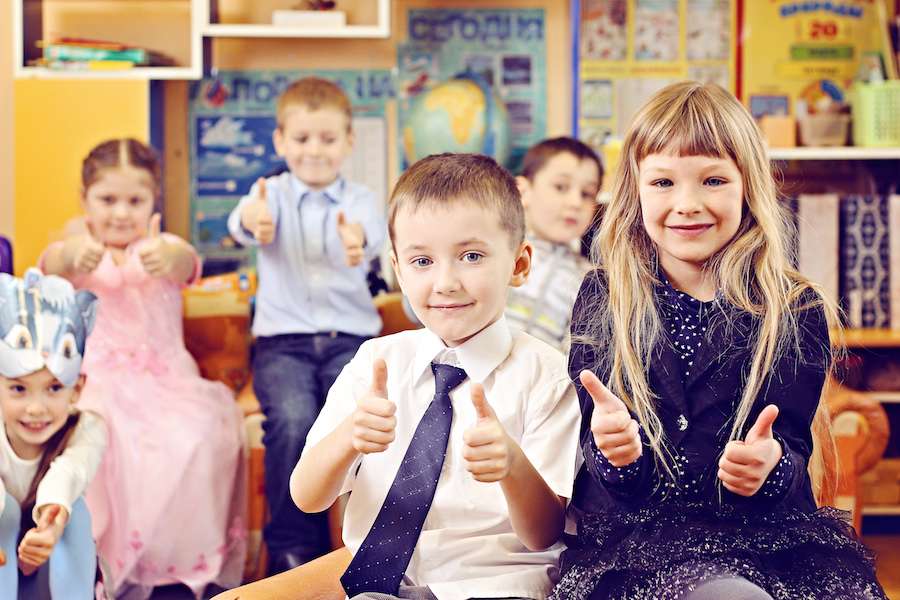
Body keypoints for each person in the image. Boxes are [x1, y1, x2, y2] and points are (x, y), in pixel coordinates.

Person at [551, 81, 886, 600]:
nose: (687, 204)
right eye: (663, 182)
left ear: (747, 186)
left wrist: (767, 470)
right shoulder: (605, 296)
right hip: (635, 545)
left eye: (712, 180)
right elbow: (608, 481)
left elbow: (793, 459)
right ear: (634, 191)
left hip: (758, 542)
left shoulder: (794, 308)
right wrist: (617, 455)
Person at [289, 153, 581, 600]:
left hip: (495, 586)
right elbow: (307, 497)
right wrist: (350, 436)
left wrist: (512, 465)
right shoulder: (376, 363)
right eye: (422, 261)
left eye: (470, 256)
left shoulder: (548, 377)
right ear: (398, 268)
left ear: (520, 264)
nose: (445, 282)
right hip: (377, 587)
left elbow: (544, 535)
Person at [40, 138, 246, 599]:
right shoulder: (74, 248)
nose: (120, 213)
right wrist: (70, 258)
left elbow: (188, 264)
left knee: (196, 437)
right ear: (84, 200)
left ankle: (169, 567)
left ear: (155, 200)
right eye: (107, 200)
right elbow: (49, 264)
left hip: (166, 381)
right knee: (98, 438)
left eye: (135, 200)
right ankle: (95, 566)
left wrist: (169, 259)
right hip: (97, 381)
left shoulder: (162, 244)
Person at [226, 76, 386, 574]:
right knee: (294, 420)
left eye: (328, 139)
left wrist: (358, 243)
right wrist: (255, 221)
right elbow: (242, 222)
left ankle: (364, 542)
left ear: (348, 142)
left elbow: (373, 236)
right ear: (280, 142)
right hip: (283, 344)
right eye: (301, 139)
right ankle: (293, 546)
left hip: (352, 342)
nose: (314, 150)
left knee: (361, 424)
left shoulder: (359, 201)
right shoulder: (266, 195)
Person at [0, 269, 106, 599]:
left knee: (75, 515)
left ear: (77, 390)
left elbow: (69, 472)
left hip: (54, 554)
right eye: (19, 389)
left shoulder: (87, 428)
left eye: (54, 388)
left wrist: (51, 524)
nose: (36, 408)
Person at [507, 137, 603, 351]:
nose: (575, 202)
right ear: (523, 191)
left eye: (586, 194)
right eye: (561, 187)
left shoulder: (591, 280)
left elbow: (576, 352)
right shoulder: (496, 250)